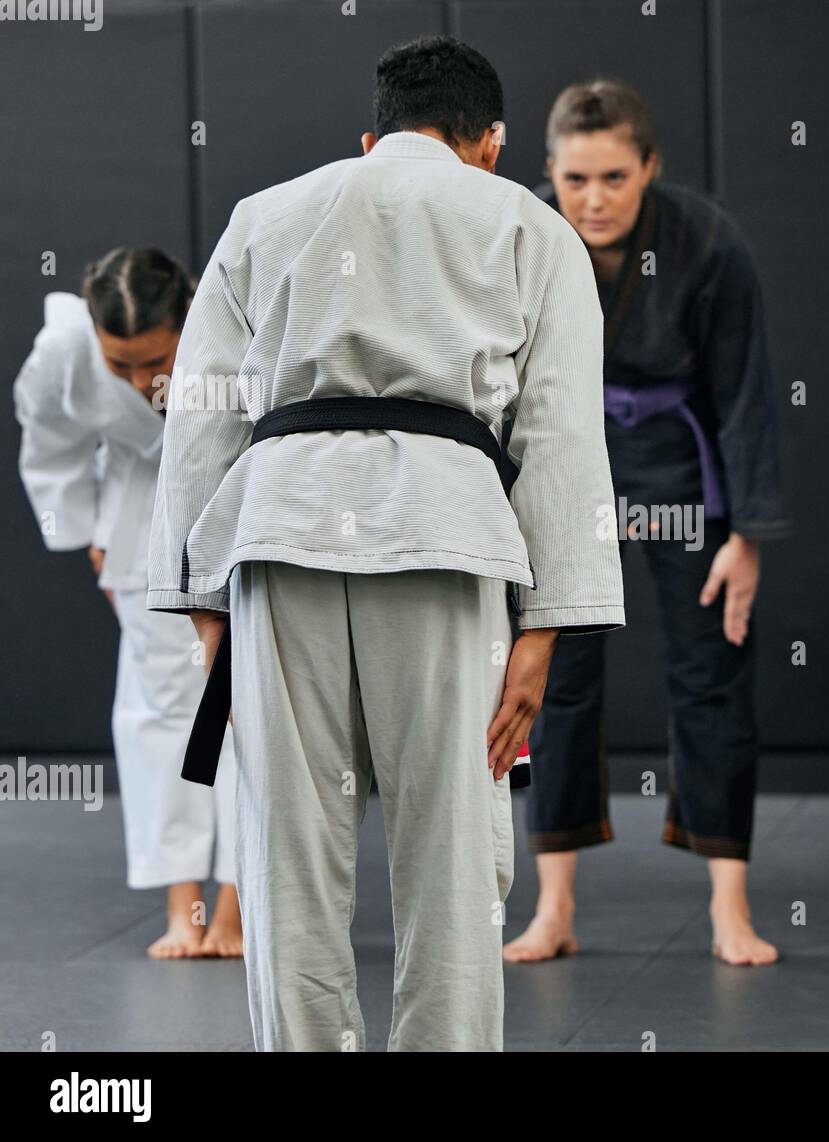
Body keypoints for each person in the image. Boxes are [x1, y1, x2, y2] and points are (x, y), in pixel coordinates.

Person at [146, 35, 624, 1051]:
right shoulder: (529, 228)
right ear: (489, 144)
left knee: (286, 855)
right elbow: (563, 436)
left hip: (281, 535)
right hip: (443, 542)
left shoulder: (263, 217)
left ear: (369, 137)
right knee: (451, 852)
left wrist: (201, 604)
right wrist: (542, 631)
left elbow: (199, 415)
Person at [503, 80, 791, 968]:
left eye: (616, 178)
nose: (594, 199)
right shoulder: (520, 238)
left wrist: (746, 533)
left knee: (712, 678)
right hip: (563, 469)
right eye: (577, 178)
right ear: (548, 169)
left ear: (650, 169)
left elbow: (745, 392)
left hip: (679, 467)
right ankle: (551, 908)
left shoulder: (707, 242)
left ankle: (728, 908)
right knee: (552, 681)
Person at [13, 248, 241, 959]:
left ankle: (239, 903)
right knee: (163, 709)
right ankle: (187, 910)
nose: (145, 381)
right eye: (122, 367)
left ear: (187, 318)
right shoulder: (64, 350)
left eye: (158, 360)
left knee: (245, 705)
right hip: (138, 520)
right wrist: (80, 528)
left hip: (235, 509)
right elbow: (49, 440)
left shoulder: (233, 320)